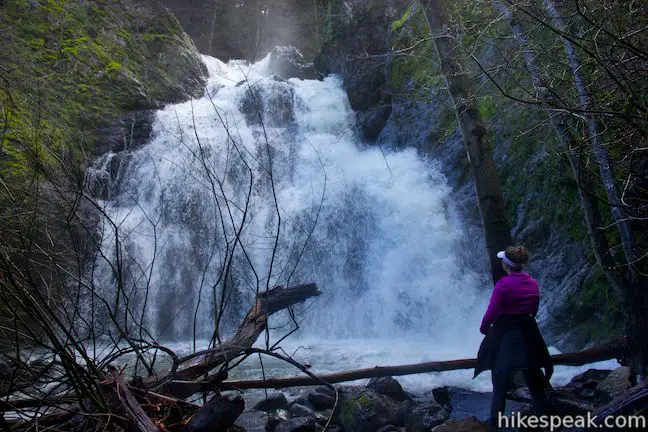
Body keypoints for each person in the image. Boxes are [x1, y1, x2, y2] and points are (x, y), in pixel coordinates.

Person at [474, 246, 553, 431]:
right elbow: (534, 309)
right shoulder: (532, 283)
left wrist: (485, 329)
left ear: (506, 264)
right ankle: (547, 424)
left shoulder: (503, 285)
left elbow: (491, 313)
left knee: (499, 385)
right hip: (528, 334)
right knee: (535, 384)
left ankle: (495, 425)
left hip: (506, 335)